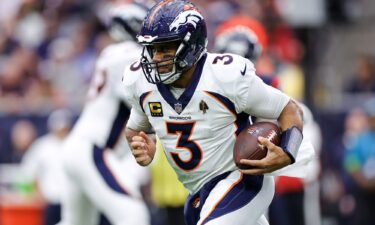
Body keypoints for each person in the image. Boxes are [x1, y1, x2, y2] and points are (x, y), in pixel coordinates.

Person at [122, 1, 312, 224]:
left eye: (165, 48)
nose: (155, 58)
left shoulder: (225, 76)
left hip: (242, 179)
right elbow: (136, 128)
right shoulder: (142, 82)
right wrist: (146, 146)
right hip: (198, 191)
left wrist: (288, 151)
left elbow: (289, 109)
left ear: (191, 45)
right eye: (152, 49)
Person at [56, 2, 151, 225]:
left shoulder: (112, 53)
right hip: (93, 148)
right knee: (134, 215)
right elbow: (143, 100)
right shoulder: (130, 55)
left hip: (78, 147)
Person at [22, 109, 73, 225]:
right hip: (50, 202)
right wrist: (38, 194)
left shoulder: (74, 144)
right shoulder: (42, 146)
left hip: (71, 201)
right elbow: (29, 172)